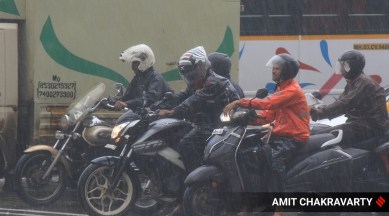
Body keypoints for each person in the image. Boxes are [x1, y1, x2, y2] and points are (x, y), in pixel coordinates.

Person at [223, 53, 310, 216]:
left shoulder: (292, 90)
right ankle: (251, 205)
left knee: (275, 162)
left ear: (286, 72)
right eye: (274, 68)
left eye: (277, 69)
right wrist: (246, 119)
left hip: (294, 137)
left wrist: (239, 102)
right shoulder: (280, 89)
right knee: (248, 158)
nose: (273, 71)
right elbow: (269, 114)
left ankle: (279, 208)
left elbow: (269, 103)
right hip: (280, 135)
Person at [158, 46, 239, 216]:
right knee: (175, 135)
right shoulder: (199, 81)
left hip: (221, 126)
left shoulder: (214, 82)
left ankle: (200, 183)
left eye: (192, 71)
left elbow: (194, 101)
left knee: (186, 145)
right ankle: (181, 192)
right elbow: (184, 96)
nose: (190, 75)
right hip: (207, 123)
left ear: (203, 66)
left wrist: (174, 111)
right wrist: (164, 101)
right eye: (188, 72)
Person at [310, 49, 389, 150]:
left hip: (370, 127)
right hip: (360, 124)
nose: (342, 70)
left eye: (344, 66)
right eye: (341, 66)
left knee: (325, 136)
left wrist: (320, 112)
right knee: (317, 133)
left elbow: (344, 104)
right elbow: (340, 102)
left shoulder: (364, 83)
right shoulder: (354, 82)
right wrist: (317, 110)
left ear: (352, 67)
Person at [114, 44, 173, 110]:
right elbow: (127, 97)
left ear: (144, 61)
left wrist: (127, 103)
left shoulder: (155, 78)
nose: (132, 67)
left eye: (135, 63)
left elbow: (150, 99)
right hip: (147, 114)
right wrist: (112, 102)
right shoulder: (138, 78)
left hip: (163, 115)